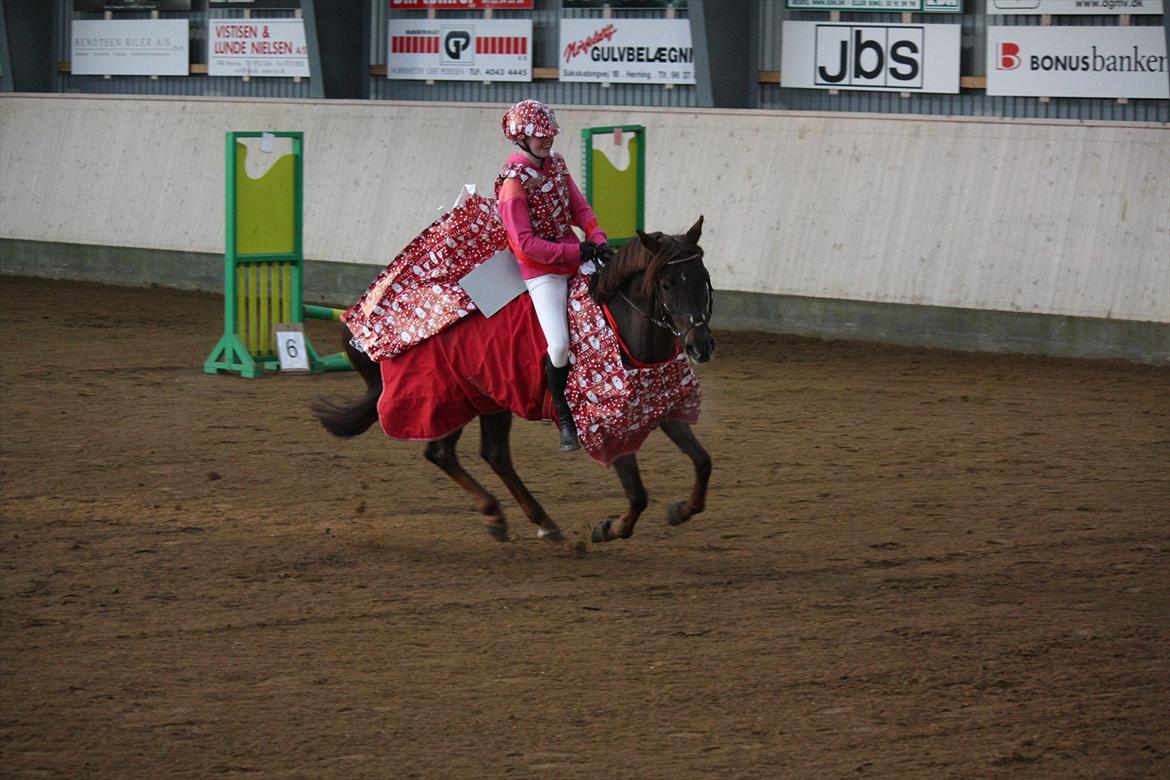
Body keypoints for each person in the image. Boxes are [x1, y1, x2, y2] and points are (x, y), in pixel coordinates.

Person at [495, 99, 613, 452]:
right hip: (542, 271)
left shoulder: (557, 165)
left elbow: (580, 207)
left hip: (574, 255)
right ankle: (563, 415)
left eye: (549, 134)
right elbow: (526, 245)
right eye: (540, 136)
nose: (547, 140)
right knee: (559, 344)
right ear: (522, 138)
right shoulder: (513, 184)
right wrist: (578, 251)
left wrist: (599, 239)